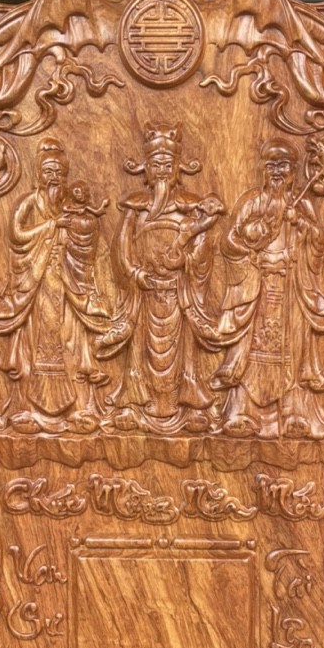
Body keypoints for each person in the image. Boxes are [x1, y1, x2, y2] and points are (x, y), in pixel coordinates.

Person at [98, 122, 224, 432]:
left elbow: (203, 247)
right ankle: (135, 406)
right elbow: (121, 248)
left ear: (178, 168)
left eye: (169, 165)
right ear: (147, 169)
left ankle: (188, 407)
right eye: (157, 165)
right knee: (141, 351)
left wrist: (187, 260)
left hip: (178, 292)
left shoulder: (191, 207)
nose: (163, 171)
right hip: (146, 293)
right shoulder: (135, 207)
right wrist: (135, 273)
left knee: (183, 351)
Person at [211, 137, 324, 439]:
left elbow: (320, 239)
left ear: (293, 171)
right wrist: (254, 235)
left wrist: (300, 223)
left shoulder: (301, 204)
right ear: (263, 169)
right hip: (258, 285)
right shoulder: (252, 202)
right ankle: (242, 412)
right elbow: (229, 241)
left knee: (293, 352)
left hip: (291, 286)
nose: (277, 172)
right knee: (249, 351)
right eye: (272, 166)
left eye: (284, 166)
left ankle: (293, 414)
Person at [0, 138, 111, 433]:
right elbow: (16, 233)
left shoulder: (69, 204)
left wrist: (76, 232)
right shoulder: (31, 202)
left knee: (72, 340)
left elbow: (87, 231)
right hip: (38, 281)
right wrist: (51, 227)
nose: (54, 176)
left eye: (59, 171)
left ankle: (81, 407)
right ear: (39, 174)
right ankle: (27, 407)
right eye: (48, 171)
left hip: (66, 279)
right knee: (33, 346)